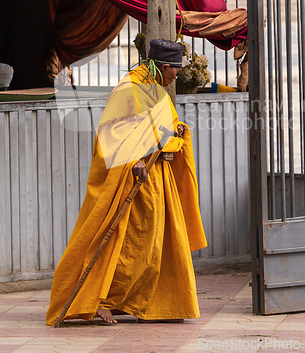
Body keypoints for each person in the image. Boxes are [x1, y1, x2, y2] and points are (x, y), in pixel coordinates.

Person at [46, 38, 207, 326]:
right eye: (175, 71)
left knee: (155, 241)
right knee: (125, 238)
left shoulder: (156, 89)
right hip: (133, 179)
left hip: (158, 178)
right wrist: (134, 161)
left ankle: (151, 301)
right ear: (164, 66)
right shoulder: (129, 88)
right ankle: (100, 299)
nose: (176, 77)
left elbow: (161, 129)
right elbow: (109, 132)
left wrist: (177, 131)